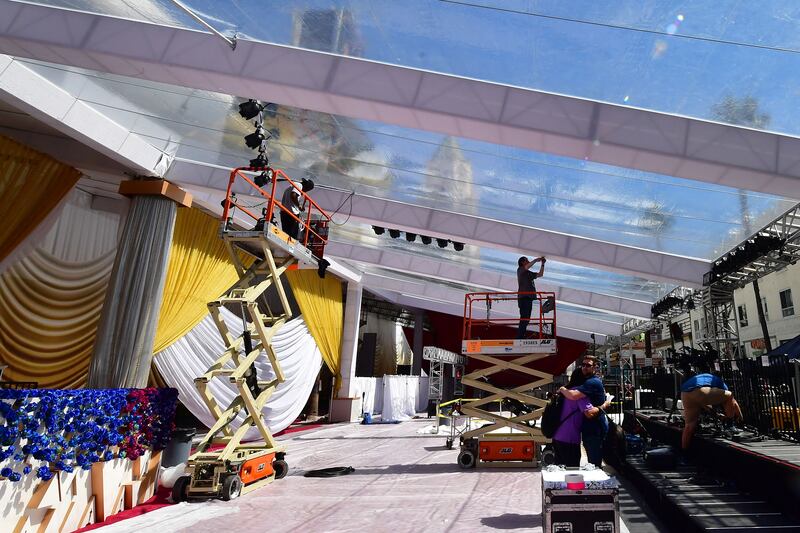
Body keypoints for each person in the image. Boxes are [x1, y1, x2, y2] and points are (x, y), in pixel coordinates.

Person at [552, 368, 610, 467]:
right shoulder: (579, 395)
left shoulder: (565, 392)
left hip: (557, 435)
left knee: (560, 470)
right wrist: (605, 405)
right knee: (572, 471)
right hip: (570, 438)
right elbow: (589, 413)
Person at [680, 372, 743, 452]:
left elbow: (702, 402)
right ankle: (730, 424)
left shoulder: (704, 379)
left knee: (689, 425)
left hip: (685, 392)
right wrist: (740, 417)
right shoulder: (721, 383)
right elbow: (732, 401)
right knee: (730, 395)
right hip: (700, 390)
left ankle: (684, 453)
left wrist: (718, 415)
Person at [516, 255, 545, 339]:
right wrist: (536, 260)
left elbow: (540, 274)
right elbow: (527, 266)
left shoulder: (529, 273)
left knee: (526, 318)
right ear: (522, 262)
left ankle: (521, 336)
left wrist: (543, 264)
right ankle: (520, 337)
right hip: (524, 297)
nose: (528, 261)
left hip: (529, 298)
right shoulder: (520, 270)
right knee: (524, 317)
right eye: (526, 260)